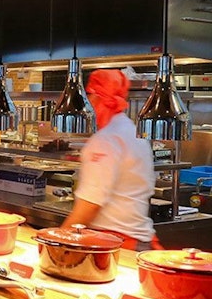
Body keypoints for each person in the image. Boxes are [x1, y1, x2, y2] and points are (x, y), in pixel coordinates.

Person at [61, 69, 161, 251]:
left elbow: (91, 203)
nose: (88, 103)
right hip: (137, 240)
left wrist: (60, 242)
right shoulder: (130, 130)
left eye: (90, 96)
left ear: (98, 97)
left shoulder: (106, 139)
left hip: (117, 244)